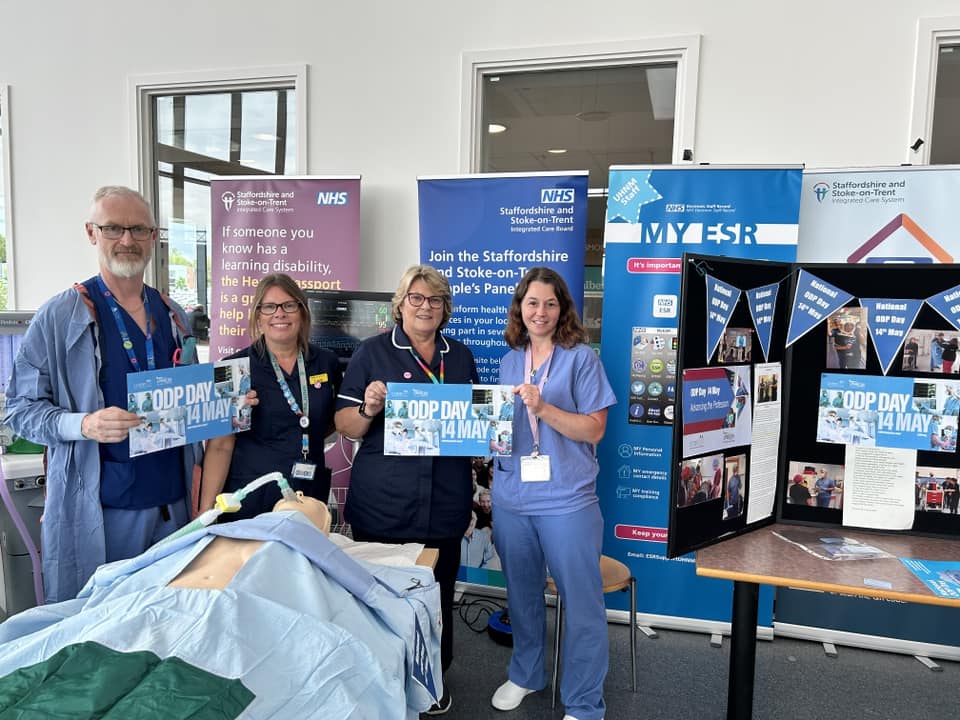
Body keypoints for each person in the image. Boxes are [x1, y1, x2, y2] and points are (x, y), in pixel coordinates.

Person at [0, 493, 444, 718]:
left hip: (239, 616)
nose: (297, 507)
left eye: (309, 509)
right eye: (297, 504)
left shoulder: (312, 551)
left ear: (324, 529)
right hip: (157, 608)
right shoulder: (216, 530)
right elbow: (379, 600)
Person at [3, 186, 203, 604]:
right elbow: (18, 409)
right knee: (100, 632)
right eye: (114, 228)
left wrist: (227, 402)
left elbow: (191, 401)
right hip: (106, 510)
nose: (127, 240)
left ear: (154, 236)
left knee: (167, 623)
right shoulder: (61, 316)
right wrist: (83, 424)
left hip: (174, 507)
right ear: (92, 233)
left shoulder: (173, 314)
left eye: (138, 229)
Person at [334, 264, 478, 716]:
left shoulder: (460, 357)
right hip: (384, 501)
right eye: (416, 298)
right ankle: (383, 682)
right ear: (399, 305)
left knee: (436, 595)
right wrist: (370, 407)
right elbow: (345, 425)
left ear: (445, 309)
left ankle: (434, 678)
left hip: (444, 498)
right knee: (381, 597)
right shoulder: (371, 352)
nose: (425, 307)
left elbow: (474, 424)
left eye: (435, 300)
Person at [488, 267, 616, 720]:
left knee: (581, 603)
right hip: (511, 497)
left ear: (562, 310)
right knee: (521, 595)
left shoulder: (581, 359)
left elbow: (595, 429)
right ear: (519, 308)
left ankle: (584, 702)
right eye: (531, 303)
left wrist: (545, 408)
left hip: (567, 500)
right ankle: (526, 674)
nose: (539, 311)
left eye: (549, 303)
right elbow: (502, 427)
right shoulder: (508, 360)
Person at [200, 273, 341, 521]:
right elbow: (220, 446)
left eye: (289, 305)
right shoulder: (233, 368)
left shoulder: (325, 362)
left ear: (302, 312)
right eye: (269, 307)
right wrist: (205, 512)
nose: (280, 314)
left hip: (307, 497)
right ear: (258, 316)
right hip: (252, 499)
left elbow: (331, 419)